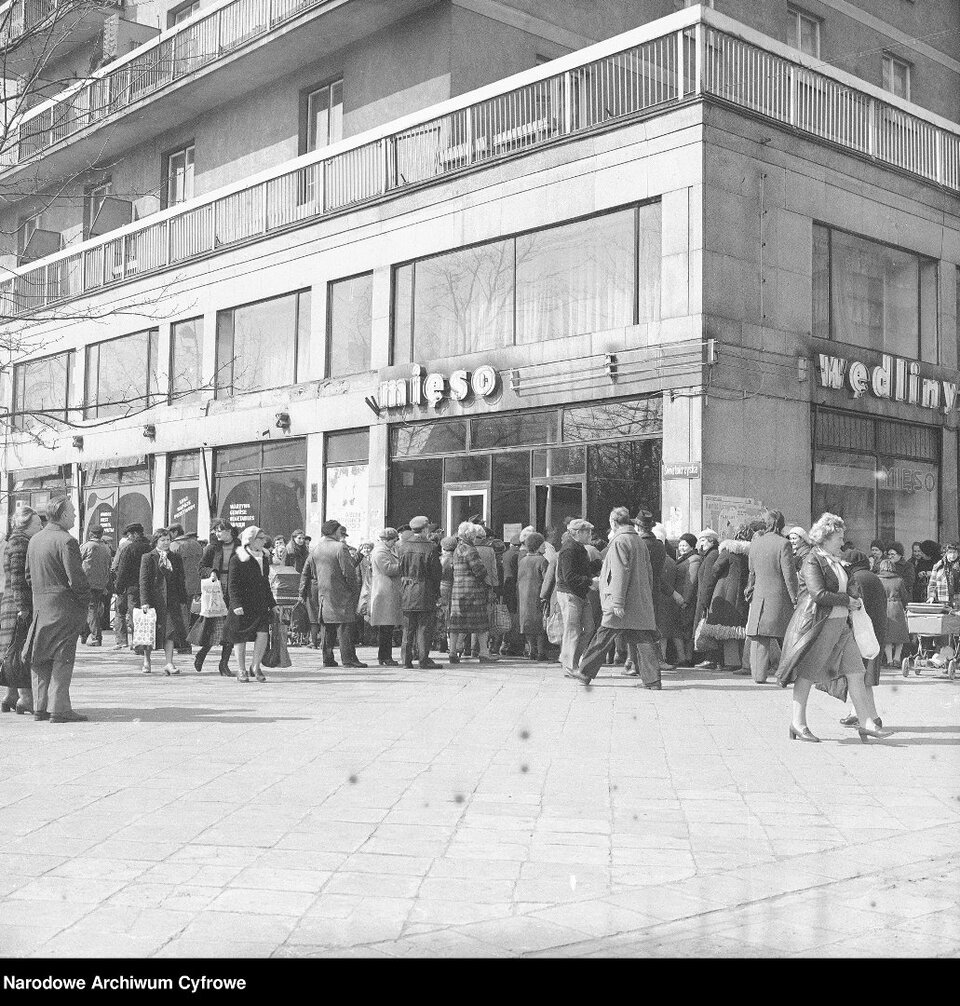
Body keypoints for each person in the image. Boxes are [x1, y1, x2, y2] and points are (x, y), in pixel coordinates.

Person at [776, 513, 887, 743]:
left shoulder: (835, 560)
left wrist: (853, 594)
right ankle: (798, 723)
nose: (842, 541)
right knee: (807, 674)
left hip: (841, 626)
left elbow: (847, 587)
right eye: (838, 536)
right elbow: (818, 594)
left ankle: (866, 722)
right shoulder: (813, 560)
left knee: (857, 672)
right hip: (820, 625)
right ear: (825, 537)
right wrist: (847, 600)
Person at [568, 507, 660, 689]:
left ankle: (584, 672)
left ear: (613, 522)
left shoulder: (620, 541)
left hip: (621, 601)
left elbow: (619, 573)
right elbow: (648, 572)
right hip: (638, 600)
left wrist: (617, 601)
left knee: (603, 636)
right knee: (643, 639)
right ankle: (653, 681)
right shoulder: (638, 540)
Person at [23, 497, 91, 723]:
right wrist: (85, 601)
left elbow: (28, 576)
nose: (74, 515)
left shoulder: (35, 540)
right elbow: (77, 579)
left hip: (41, 606)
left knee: (40, 655)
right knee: (62, 657)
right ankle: (59, 709)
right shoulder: (66, 541)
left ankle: (40, 707)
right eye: (72, 512)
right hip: (64, 607)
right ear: (62, 515)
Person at [299, 520, 366, 668]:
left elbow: (309, 570)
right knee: (344, 627)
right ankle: (349, 659)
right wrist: (354, 590)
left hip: (324, 592)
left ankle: (328, 659)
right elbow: (348, 572)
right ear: (335, 532)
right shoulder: (340, 548)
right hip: (341, 593)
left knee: (327, 627)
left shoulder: (317, 548)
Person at [744, 509, 798, 684]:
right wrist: (795, 598)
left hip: (759, 597)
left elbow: (751, 573)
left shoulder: (755, 544)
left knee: (759, 638)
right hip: (779, 597)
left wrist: (749, 591)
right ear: (780, 524)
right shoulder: (784, 544)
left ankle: (758, 676)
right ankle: (788, 674)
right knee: (788, 637)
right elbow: (789, 575)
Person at [0, 506, 43, 714]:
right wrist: (23, 607)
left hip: (12, 602)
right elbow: (18, 577)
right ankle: (25, 698)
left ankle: (11, 695)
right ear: (25, 525)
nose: (40, 527)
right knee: (21, 651)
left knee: (12, 649)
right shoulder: (20, 543)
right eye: (37, 524)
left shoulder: (15, 540)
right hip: (19, 603)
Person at [224, 526, 279, 683]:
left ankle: (255, 666)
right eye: (260, 538)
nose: (263, 541)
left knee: (263, 634)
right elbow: (232, 584)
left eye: (263, 538)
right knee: (239, 637)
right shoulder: (238, 558)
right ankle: (241, 669)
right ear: (250, 540)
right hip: (243, 604)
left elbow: (265, 583)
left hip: (260, 603)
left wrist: (272, 604)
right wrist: (235, 604)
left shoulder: (264, 557)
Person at [840, 550, 886, 728]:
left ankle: (872, 717)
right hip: (875, 629)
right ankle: (856, 713)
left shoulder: (856, 578)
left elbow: (855, 604)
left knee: (859, 675)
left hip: (861, 632)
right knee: (863, 675)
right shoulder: (873, 577)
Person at [700, 524, 753, 672]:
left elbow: (714, 572)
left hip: (724, 593)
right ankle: (738, 660)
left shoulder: (728, 551)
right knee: (738, 629)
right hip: (742, 594)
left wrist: (705, 597)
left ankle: (729, 661)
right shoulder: (751, 553)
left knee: (725, 629)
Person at [138, 528, 189, 676]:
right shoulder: (148, 557)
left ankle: (169, 662)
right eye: (163, 540)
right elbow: (144, 581)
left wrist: (182, 598)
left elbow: (181, 579)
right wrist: (144, 601)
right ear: (156, 541)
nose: (166, 543)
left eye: (168, 540)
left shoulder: (175, 557)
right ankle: (147, 661)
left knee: (170, 632)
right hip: (154, 601)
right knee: (150, 632)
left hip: (171, 600)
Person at [190, 519, 238, 675]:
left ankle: (223, 664)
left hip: (234, 588)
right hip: (216, 588)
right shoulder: (212, 548)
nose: (217, 533)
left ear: (229, 531)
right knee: (214, 626)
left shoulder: (240, 547)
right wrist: (211, 571)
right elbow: (201, 567)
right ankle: (202, 653)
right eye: (215, 530)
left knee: (231, 627)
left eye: (220, 530)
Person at [398, 515, 443, 669]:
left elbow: (399, 568)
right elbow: (437, 573)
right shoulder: (430, 547)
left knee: (407, 628)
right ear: (425, 529)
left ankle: (406, 661)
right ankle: (423, 660)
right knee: (424, 628)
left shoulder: (402, 546)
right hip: (425, 590)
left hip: (407, 590)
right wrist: (437, 593)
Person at [447, 522, 495, 664]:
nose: (475, 537)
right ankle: (484, 653)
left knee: (456, 624)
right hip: (473, 590)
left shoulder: (457, 549)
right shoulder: (470, 549)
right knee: (481, 624)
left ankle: (452, 652)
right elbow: (478, 570)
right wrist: (487, 580)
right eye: (473, 534)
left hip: (458, 590)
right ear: (469, 535)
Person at [556, 519, 598, 674]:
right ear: (578, 533)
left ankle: (573, 661)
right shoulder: (569, 549)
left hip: (580, 593)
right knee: (572, 630)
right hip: (570, 594)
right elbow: (569, 576)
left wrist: (598, 565)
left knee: (589, 628)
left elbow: (583, 569)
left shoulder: (579, 548)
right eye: (587, 532)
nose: (590, 535)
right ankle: (569, 665)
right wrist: (590, 582)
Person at [114, 523, 151, 650]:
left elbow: (122, 570)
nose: (129, 537)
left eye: (130, 535)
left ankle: (127, 642)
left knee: (133, 614)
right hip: (148, 587)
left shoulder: (129, 549)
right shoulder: (151, 547)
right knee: (144, 614)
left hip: (132, 587)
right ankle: (141, 642)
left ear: (135, 534)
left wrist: (118, 587)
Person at [367, 529, 401, 666]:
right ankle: (385, 657)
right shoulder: (380, 552)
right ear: (386, 540)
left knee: (388, 627)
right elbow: (388, 569)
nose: (395, 543)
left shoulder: (385, 550)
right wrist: (403, 565)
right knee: (386, 627)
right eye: (393, 540)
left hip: (388, 591)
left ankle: (385, 656)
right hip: (384, 592)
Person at [517, 532, 549, 660]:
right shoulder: (542, 560)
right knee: (540, 624)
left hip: (524, 595)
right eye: (543, 545)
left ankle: (531, 650)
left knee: (527, 624)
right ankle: (541, 652)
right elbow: (546, 579)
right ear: (537, 546)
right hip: (538, 594)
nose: (545, 548)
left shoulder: (523, 560)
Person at [692, 528, 721, 669]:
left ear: (711, 541)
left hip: (706, 598)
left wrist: (704, 600)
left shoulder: (712, 555)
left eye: (703, 540)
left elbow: (708, 580)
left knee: (707, 629)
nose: (700, 544)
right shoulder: (709, 555)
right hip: (705, 596)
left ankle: (710, 659)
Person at [79, 525, 112, 647]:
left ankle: (96, 636)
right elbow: (109, 566)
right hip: (101, 583)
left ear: (90, 534)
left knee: (90, 609)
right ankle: (84, 633)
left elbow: (76, 561)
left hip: (87, 582)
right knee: (92, 609)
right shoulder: (106, 548)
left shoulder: (87, 546)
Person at [169, 523, 203, 636]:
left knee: (179, 612)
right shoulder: (196, 544)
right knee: (188, 611)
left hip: (180, 584)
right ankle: (188, 635)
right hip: (195, 584)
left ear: (175, 532)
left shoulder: (174, 546)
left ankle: (183, 638)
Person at [876, 555, 910, 667]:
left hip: (883, 608)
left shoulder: (878, 579)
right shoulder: (899, 580)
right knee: (900, 636)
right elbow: (905, 596)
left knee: (887, 637)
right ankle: (897, 659)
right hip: (897, 608)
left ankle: (889, 660)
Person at [499, 534, 523, 656]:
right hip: (514, 587)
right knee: (514, 617)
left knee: (504, 616)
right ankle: (511, 644)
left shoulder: (504, 554)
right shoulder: (517, 555)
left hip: (504, 587)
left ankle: (502, 643)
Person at [926, 541, 960, 607]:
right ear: (946, 553)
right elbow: (932, 584)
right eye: (950, 552)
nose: (952, 555)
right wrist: (931, 597)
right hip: (943, 600)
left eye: (954, 552)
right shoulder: (938, 566)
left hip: (958, 601)